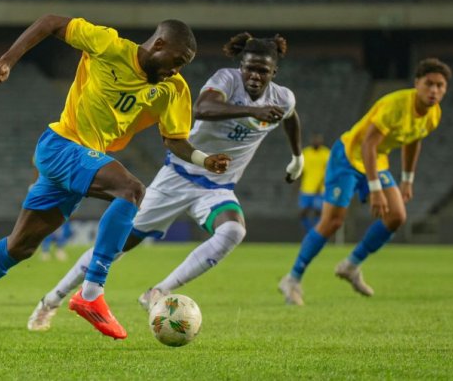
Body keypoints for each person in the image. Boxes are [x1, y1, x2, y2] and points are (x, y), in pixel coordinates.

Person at [0, 14, 232, 343]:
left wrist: (204, 159)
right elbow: (51, 22)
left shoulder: (173, 89)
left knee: (20, 247)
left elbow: (174, 139)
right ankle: (91, 292)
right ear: (159, 44)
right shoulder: (108, 45)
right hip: (62, 146)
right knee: (131, 190)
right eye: (177, 60)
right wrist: (7, 61)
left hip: (79, 161)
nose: (176, 70)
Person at [26, 32, 304, 331]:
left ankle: (158, 292)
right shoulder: (226, 79)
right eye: (249, 68)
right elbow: (203, 108)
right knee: (116, 246)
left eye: (262, 70)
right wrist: (253, 110)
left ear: (274, 72)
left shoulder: (283, 98)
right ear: (241, 66)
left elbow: (290, 117)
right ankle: (51, 300)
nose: (254, 75)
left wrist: (297, 156)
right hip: (177, 177)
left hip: (217, 188)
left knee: (233, 230)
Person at [278, 58, 452, 306]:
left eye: (440, 85)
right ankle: (292, 279)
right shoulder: (395, 105)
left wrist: (407, 179)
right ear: (417, 83)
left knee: (396, 216)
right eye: (429, 83)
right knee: (332, 222)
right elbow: (368, 144)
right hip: (348, 157)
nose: (434, 90)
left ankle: (351, 265)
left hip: (376, 161)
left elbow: (414, 140)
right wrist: (375, 189)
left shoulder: (433, 115)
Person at [298, 134, 330, 233]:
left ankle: (317, 233)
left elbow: (328, 171)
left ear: (321, 142)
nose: (316, 142)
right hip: (306, 188)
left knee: (318, 212)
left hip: (320, 189)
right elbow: (301, 170)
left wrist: (321, 184)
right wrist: (297, 183)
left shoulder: (326, 153)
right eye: (314, 140)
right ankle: (310, 232)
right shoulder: (306, 152)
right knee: (303, 213)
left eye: (318, 140)